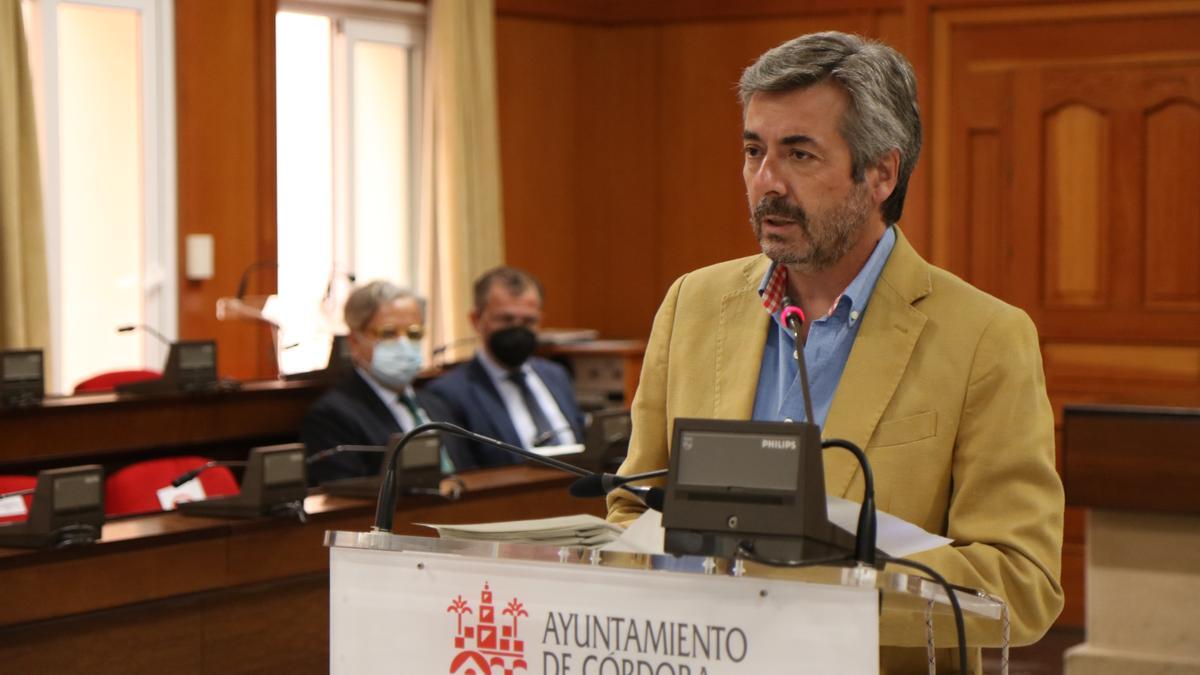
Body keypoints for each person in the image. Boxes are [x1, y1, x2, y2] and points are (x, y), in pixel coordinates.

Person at [606, 31, 1064, 671]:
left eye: (799, 155)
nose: (767, 183)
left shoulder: (984, 337)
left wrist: (826, 581)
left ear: (881, 173)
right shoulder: (693, 305)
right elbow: (632, 503)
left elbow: (1023, 585)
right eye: (753, 150)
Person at [300, 281, 460, 485]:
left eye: (413, 333)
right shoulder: (332, 417)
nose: (404, 344)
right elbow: (344, 502)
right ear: (354, 342)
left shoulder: (439, 404)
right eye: (388, 333)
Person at [426, 267, 586, 470]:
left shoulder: (556, 375)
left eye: (529, 321)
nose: (518, 330)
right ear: (476, 320)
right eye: (506, 320)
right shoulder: (449, 394)